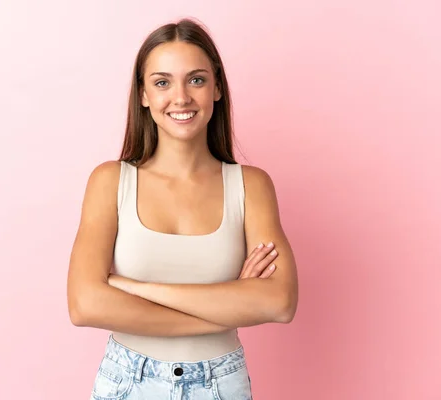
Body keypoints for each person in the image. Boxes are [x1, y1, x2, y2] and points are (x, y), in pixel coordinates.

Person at [67, 18, 299, 400]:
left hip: (220, 384)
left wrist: (133, 289)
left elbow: (279, 302)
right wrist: (229, 302)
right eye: (162, 82)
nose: (181, 98)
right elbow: (85, 304)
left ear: (217, 88)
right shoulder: (111, 181)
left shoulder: (251, 186)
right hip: (128, 381)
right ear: (143, 94)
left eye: (196, 80)